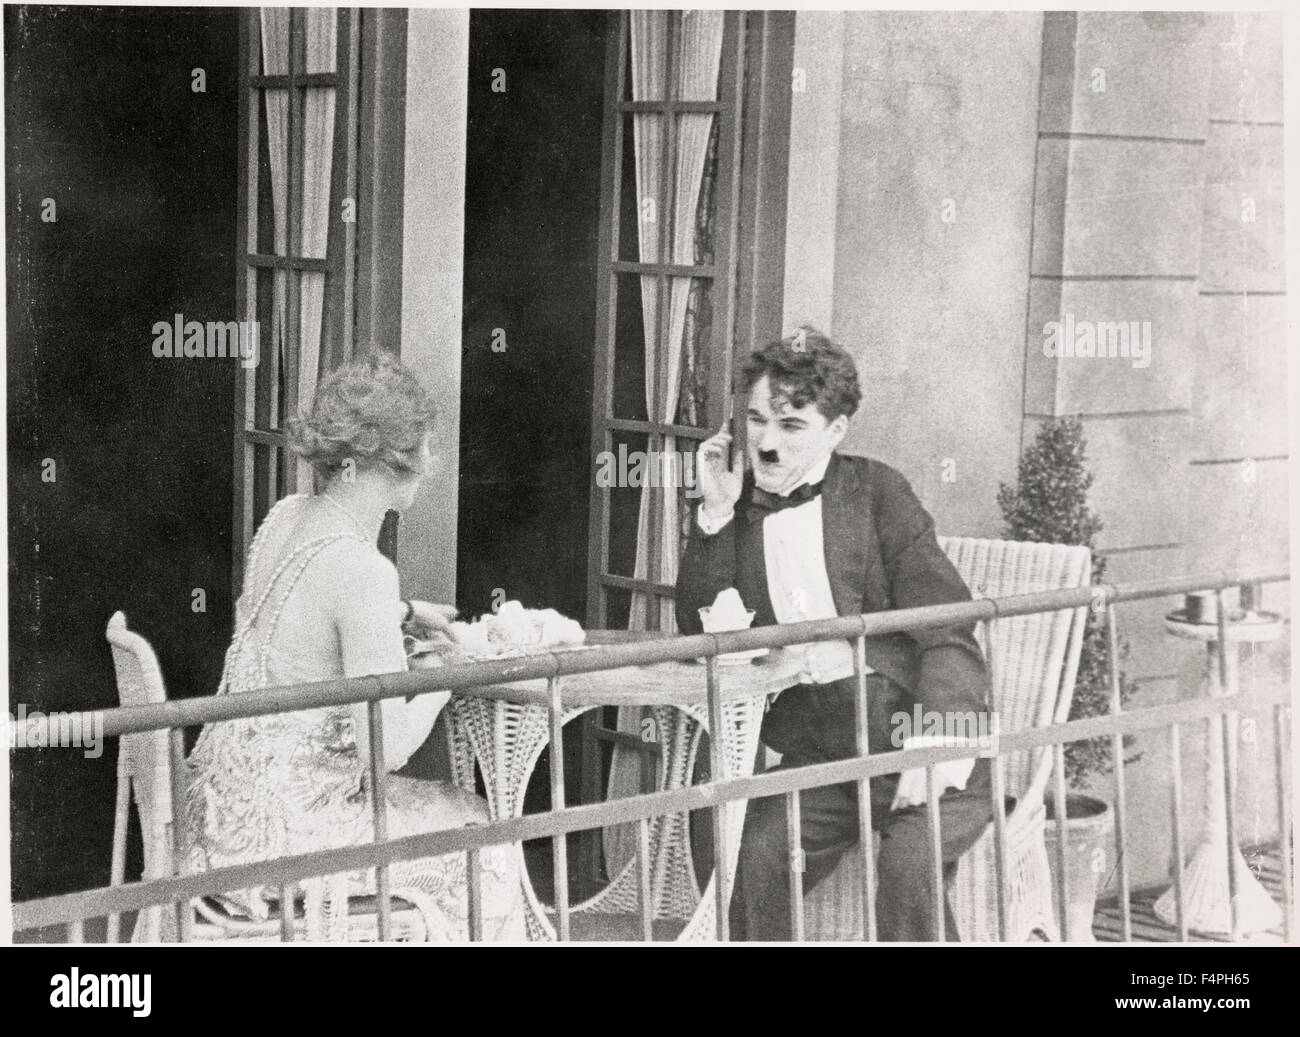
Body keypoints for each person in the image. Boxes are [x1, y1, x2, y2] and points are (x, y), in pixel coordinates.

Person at [184, 351, 526, 941]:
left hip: (216, 816)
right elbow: (385, 749)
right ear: (393, 457)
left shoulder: (286, 516)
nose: (431, 460)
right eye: (424, 443)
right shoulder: (365, 571)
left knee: (456, 813)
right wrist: (449, 671)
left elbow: (302, 621)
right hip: (286, 843)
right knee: (480, 828)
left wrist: (405, 614)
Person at [675, 329, 995, 941]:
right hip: (820, 754)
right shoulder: (739, 506)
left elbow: (947, 622)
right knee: (747, 853)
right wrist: (713, 518)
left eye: (790, 426)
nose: (765, 444)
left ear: (835, 432)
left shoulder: (877, 493)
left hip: (912, 733)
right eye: (755, 420)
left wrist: (940, 747)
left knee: (909, 869)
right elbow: (699, 632)